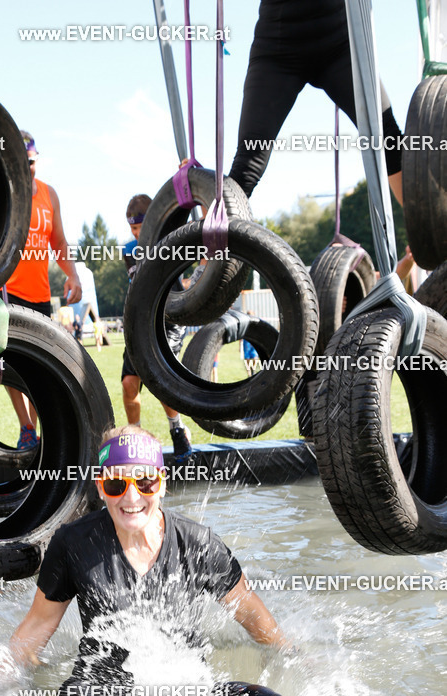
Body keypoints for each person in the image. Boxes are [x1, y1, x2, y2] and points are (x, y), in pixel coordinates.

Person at [5, 426, 294, 696]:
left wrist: (291, 654)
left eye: (145, 482)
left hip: (183, 691)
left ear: (162, 483)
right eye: (116, 484)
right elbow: (37, 625)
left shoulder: (198, 543)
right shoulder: (73, 543)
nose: (131, 497)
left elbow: (250, 611)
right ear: (100, 487)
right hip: (100, 690)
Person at [0, 132, 82, 450]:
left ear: (36, 159)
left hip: (40, 295)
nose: (28, 168)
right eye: (21, 161)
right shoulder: (3, 191)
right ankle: (27, 426)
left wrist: (73, 275)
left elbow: (59, 241)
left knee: (42, 369)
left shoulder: (49, 194)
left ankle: (47, 433)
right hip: (7, 291)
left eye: (31, 162)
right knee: (13, 364)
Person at [228, 0, 405, 205]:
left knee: (387, 137)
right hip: (277, 51)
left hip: (340, 43)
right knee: (248, 162)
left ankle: (424, 222)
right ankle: (209, 223)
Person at [123, 195, 193, 461]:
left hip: (170, 322)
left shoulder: (171, 241)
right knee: (129, 383)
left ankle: (178, 430)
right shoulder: (129, 251)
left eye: (140, 228)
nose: (136, 233)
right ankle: (135, 436)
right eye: (133, 229)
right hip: (141, 322)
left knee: (161, 381)